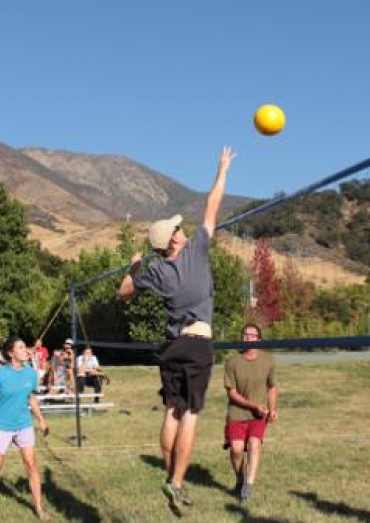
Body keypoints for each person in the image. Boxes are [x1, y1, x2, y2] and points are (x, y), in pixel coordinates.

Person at [118, 146, 234, 513]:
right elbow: (213, 206)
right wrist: (222, 170)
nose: (183, 230)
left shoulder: (153, 271)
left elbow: (123, 293)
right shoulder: (196, 250)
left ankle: (170, 474)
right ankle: (178, 481)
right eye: (179, 229)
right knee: (192, 415)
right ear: (174, 240)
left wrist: (134, 266)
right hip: (198, 343)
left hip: (171, 347)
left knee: (173, 410)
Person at [0, 336, 50, 520]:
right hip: (3, 426)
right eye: (21, 348)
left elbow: (31, 398)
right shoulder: (0, 373)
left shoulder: (30, 373)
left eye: (26, 347)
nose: (26, 350)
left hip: (24, 425)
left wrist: (41, 420)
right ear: (11, 353)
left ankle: (39, 508)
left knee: (31, 465)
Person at [224, 323, 278, 504]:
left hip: (258, 416)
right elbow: (231, 393)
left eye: (252, 335)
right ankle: (239, 480)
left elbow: (272, 387)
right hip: (237, 413)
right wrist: (254, 405)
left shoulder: (268, 360)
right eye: (245, 335)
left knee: (255, 445)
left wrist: (272, 409)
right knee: (237, 449)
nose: (248, 338)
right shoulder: (232, 361)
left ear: (259, 339)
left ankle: (249, 485)